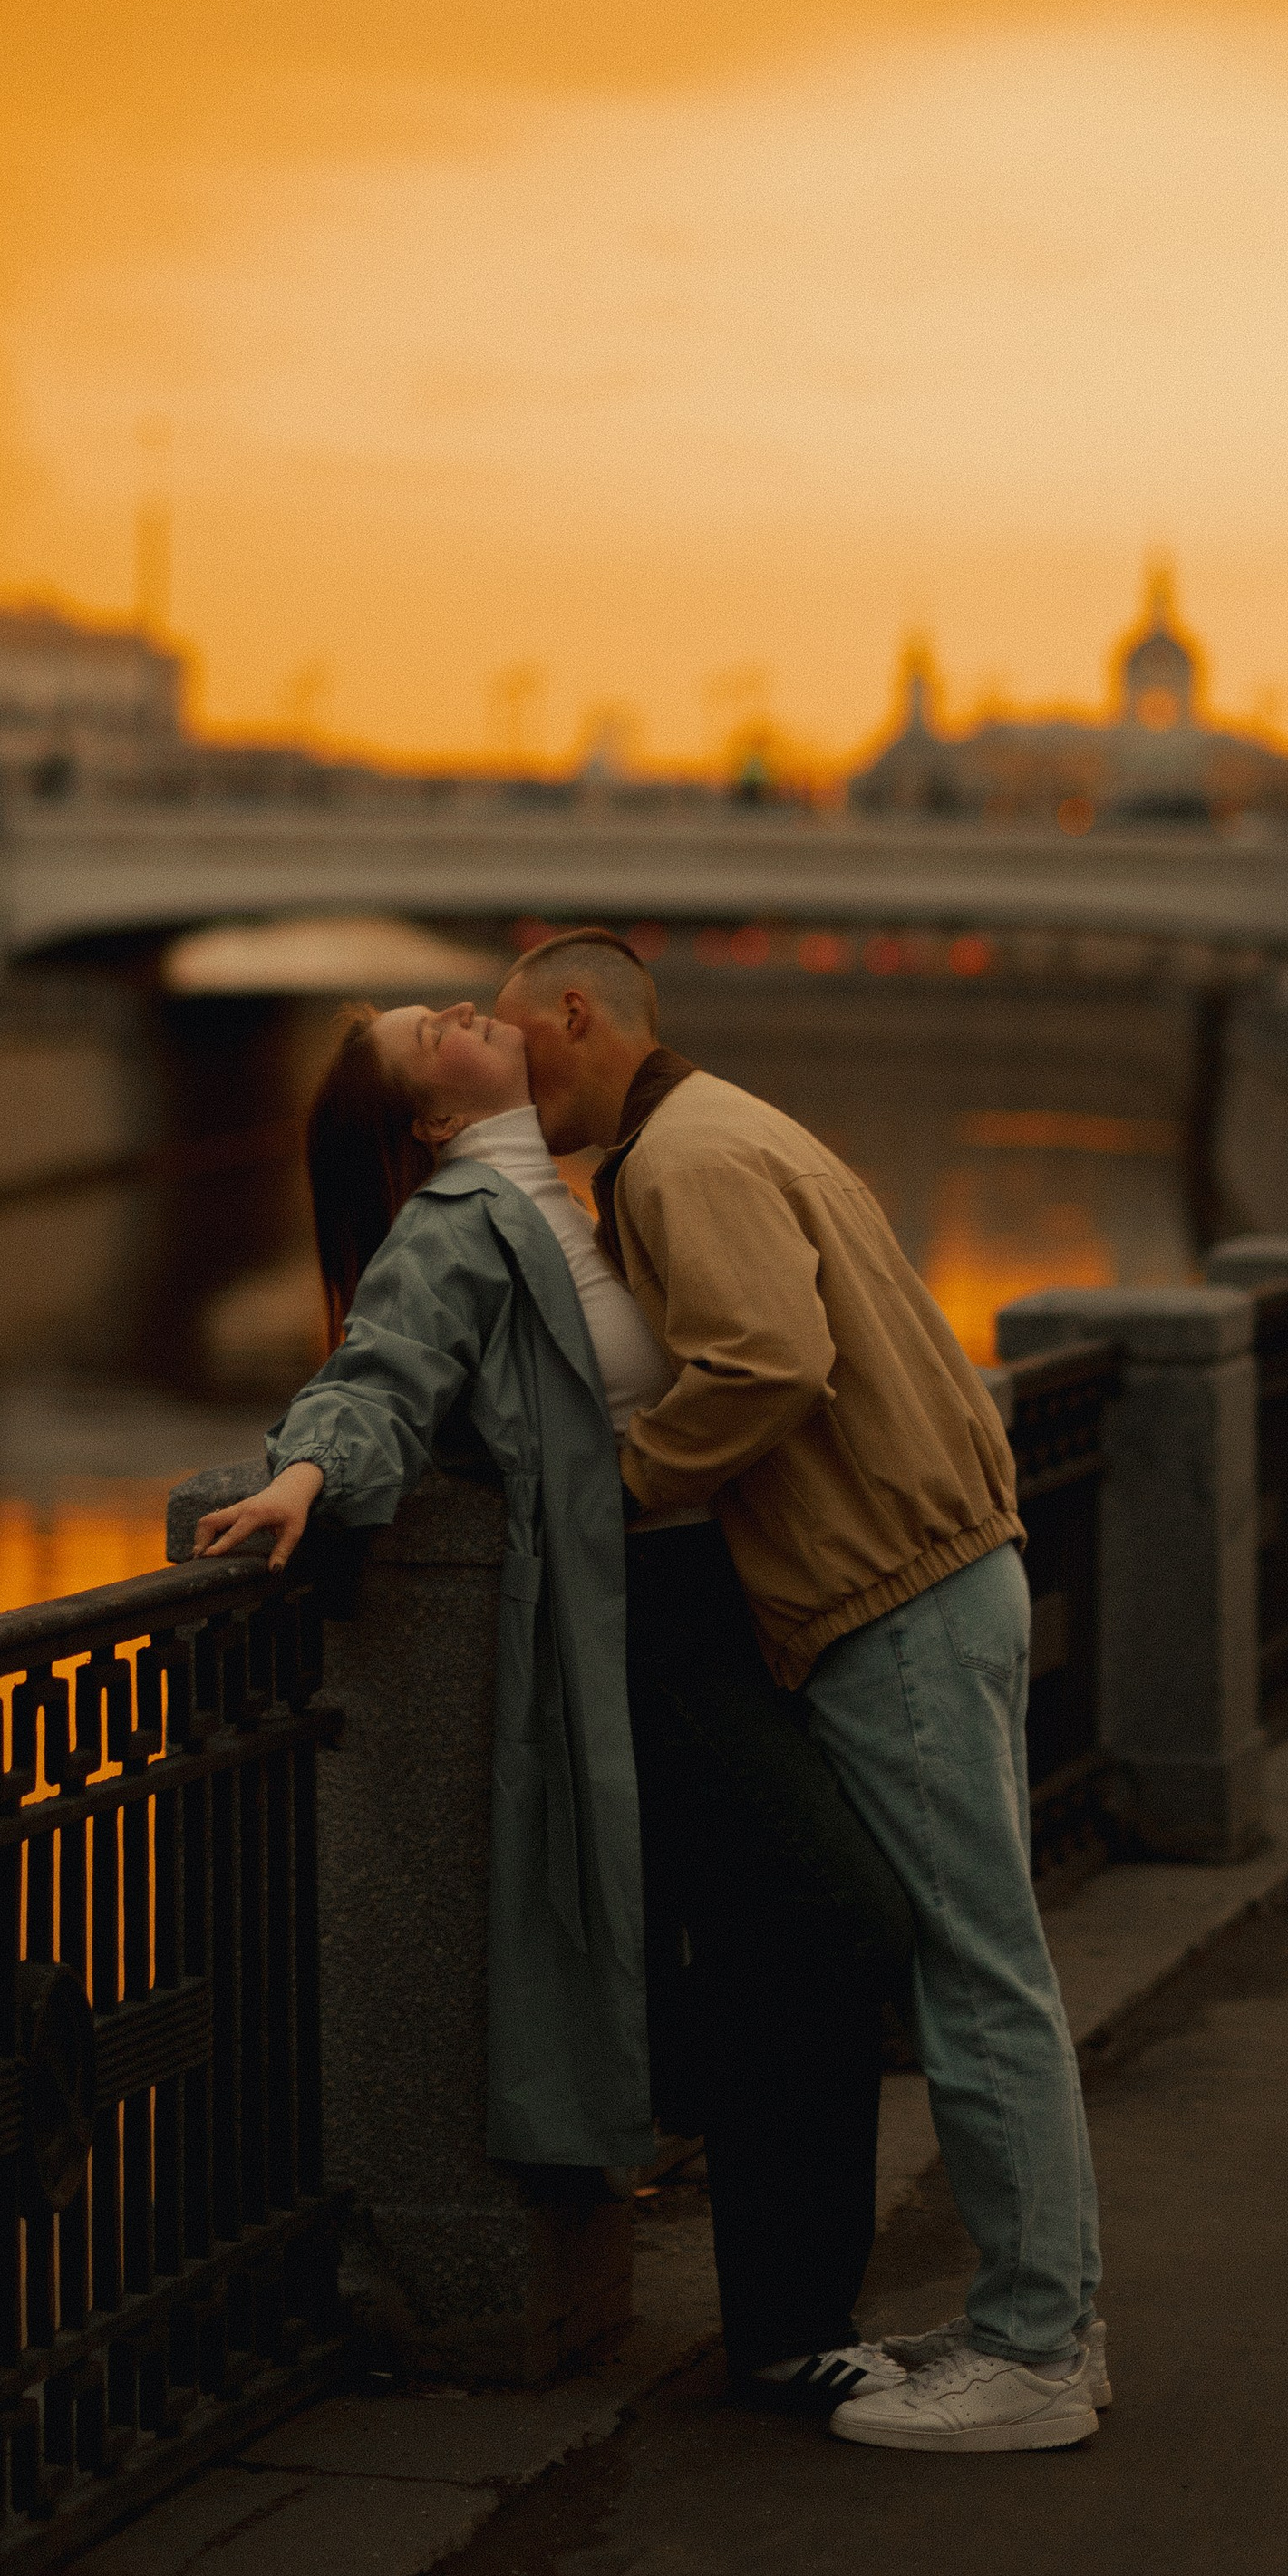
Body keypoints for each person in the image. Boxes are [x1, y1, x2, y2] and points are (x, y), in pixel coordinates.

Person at [189, 996, 916, 2402]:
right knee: (838, 1921)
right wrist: (307, 1469)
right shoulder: (454, 1226)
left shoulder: (578, 1197)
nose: (463, 1009)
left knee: (801, 1939)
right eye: (430, 1033)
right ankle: (787, 2328)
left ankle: (789, 2317)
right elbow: (381, 1372)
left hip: (719, 1613)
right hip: (633, 1631)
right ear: (431, 1118)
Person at [493, 928, 1108, 2458]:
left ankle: (1038, 2354)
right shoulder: (743, 1122)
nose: (516, 1079)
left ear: (578, 1016)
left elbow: (768, 1363)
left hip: (889, 1594)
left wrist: (617, 1487)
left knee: (977, 1975)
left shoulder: (672, 1163)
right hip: (943, 1564)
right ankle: (1038, 2323)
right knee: (986, 1961)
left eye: (523, 1044)